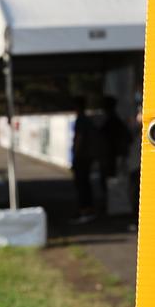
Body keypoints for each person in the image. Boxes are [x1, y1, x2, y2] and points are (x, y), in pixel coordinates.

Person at [96, 95, 131, 217]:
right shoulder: (116, 121)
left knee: (110, 182)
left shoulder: (112, 122)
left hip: (111, 157)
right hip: (112, 156)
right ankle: (114, 206)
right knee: (112, 182)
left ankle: (114, 207)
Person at [71, 96, 96, 224]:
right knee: (85, 184)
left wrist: (75, 155)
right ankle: (87, 209)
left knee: (82, 184)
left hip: (82, 157)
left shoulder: (81, 120)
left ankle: (85, 210)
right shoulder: (86, 120)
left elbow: (79, 139)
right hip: (86, 157)